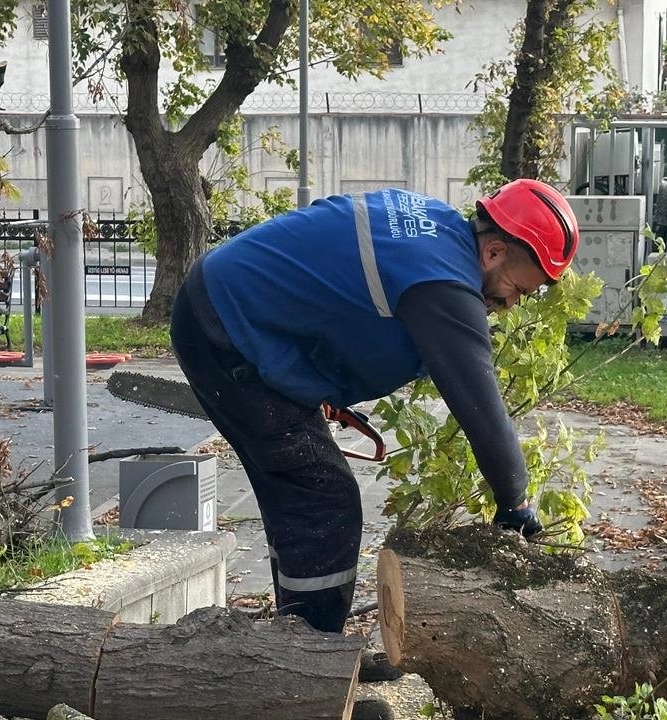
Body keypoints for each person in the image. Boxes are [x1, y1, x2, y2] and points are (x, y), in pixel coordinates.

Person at [169, 178, 580, 636]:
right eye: (517, 289)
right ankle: (309, 653)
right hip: (227, 330)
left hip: (225, 309)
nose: (509, 304)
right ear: (495, 251)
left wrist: (317, 378)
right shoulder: (442, 281)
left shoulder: (434, 228)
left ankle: (296, 637)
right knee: (323, 498)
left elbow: (335, 282)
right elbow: (481, 410)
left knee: (298, 495)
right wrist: (515, 502)